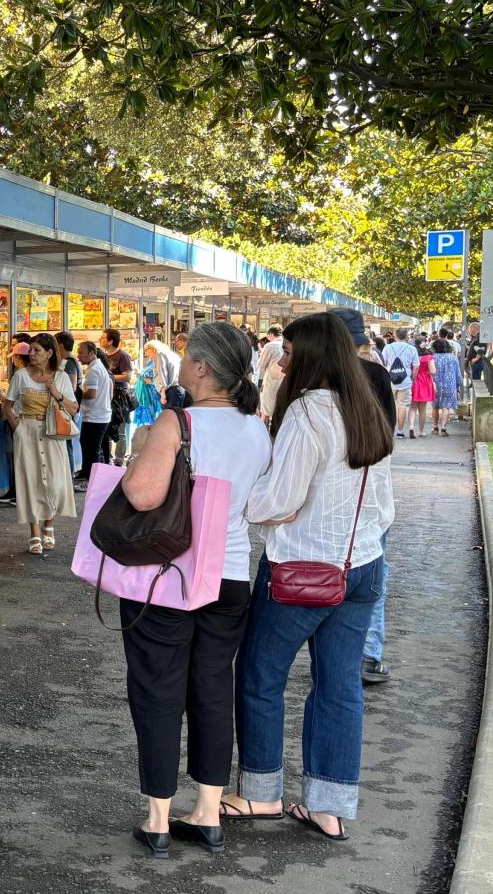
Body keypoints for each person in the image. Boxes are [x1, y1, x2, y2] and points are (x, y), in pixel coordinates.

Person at [228, 312, 395, 840]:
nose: (284, 358)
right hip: (362, 565)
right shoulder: (365, 405)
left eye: (292, 351)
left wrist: (241, 499)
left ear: (313, 355)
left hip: (300, 568)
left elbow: (278, 501)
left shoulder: (306, 412)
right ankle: (329, 806)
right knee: (340, 686)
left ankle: (260, 794)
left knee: (259, 676)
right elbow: (384, 506)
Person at [117, 322, 272, 859]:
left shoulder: (176, 422)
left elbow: (140, 494)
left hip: (167, 577)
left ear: (202, 368)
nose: (180, 366)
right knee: (212, 688)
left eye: (186, 358)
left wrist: (139, 449)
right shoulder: (257, 429)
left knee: (158, 690)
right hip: (228, 576)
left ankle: (158, 817)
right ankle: (208, 810)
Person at [331, 308, 397, 687]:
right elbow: (386, 439)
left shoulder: (318, 380)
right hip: (370, 495)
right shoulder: (376, 376)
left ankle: (334, 652)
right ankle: (367, 655)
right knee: (371, 571)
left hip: (326, 496)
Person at [4, 333, 80, 554]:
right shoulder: (20, 376)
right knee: (31, 482)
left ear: (49, 353)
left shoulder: (61, 378)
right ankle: (35, 532)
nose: (32, 354)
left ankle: (50, 524)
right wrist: (17, 427)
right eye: (31, 350)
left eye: (37, 350)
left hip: (52, 434)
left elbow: (73, 409)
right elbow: (8, 405)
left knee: (54, 482)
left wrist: (55, 393)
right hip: (26, 431)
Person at [75, 341, 113, 481]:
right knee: (91, 446)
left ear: (91, 353)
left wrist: (76, 393)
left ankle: (91, 477)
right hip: (98, 414)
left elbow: (91, 394)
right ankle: (88, 473)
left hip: (95, 416)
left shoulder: (93, 369)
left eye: (81, 352)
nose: (78, 356)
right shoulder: (97, 366)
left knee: (91, 448)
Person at [54, 330, 84, 482]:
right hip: (64, 407)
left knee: (66, 445)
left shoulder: (69, 362)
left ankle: (69, 478)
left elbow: (71, 388)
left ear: (59, 346)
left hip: (66, 409)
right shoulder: (69, 362)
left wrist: (57, 394)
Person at [101, 327, 135, 461]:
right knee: (107, 430)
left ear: (110, 341)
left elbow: (127, 377)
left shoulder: (123, 356)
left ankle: (119, 460)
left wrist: (110, 377)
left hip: (119, 398)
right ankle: (107, 458)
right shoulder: (103, 356)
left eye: (103, 338)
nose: (100, 340)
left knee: (120, 431)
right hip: (106, 396)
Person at [379, 333, 418, 437]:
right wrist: (412, 379)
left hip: (390, 381)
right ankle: (400, 432)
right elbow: (416, 366)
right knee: (402, 406)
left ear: (395, 336)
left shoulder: (388, 347)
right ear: (406, 337)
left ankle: (387, 431)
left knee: (387, 405)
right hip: (405, 381)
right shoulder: (411, 348)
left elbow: (382, 363)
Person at [431, 338, 460, 435]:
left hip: (435, 385)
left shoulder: (432, 357)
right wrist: (458, 385)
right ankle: (443, 428)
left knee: (435, 407)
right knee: (446, 407)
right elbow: (458, 373)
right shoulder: (453, 357)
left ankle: (435, 428)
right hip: (450, 385)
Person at [257, 325, 286, 423]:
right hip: (285, 380)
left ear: (271, 334)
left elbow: (261, 364)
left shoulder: (270, 346)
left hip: (271, 380)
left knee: (266, 409)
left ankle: (263, 431)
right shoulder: (288, 343)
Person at [407, 342, 435, 437]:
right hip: (425, 382)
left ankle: (411, 427)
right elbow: (433, 371)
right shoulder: (428, 358)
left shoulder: (411, 356)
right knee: (422, 409)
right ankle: (421, 431)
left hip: (413, 381)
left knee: (412, 407)